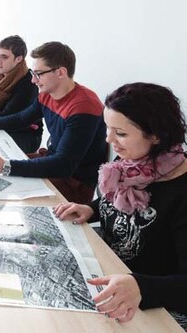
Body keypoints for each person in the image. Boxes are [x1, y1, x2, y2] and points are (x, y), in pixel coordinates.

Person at [53, 83, 187, 328]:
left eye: (121, 133)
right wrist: (92, 208)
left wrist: (141, 285)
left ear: (156, 135)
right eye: (108, 128)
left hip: (155, 304)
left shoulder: (181, 190)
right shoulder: (134, 161)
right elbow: (114, 201)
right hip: (110, 272)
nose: (109, 139)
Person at [0, 41, 106, 203]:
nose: (33, 80)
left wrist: (6, 166)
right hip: (52, 164)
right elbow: (20, 118)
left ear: (61, 72)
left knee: (0, 192)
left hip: (74, 183)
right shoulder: (47, 94)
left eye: (38, 74)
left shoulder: (85, 106)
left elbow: (63, 165)